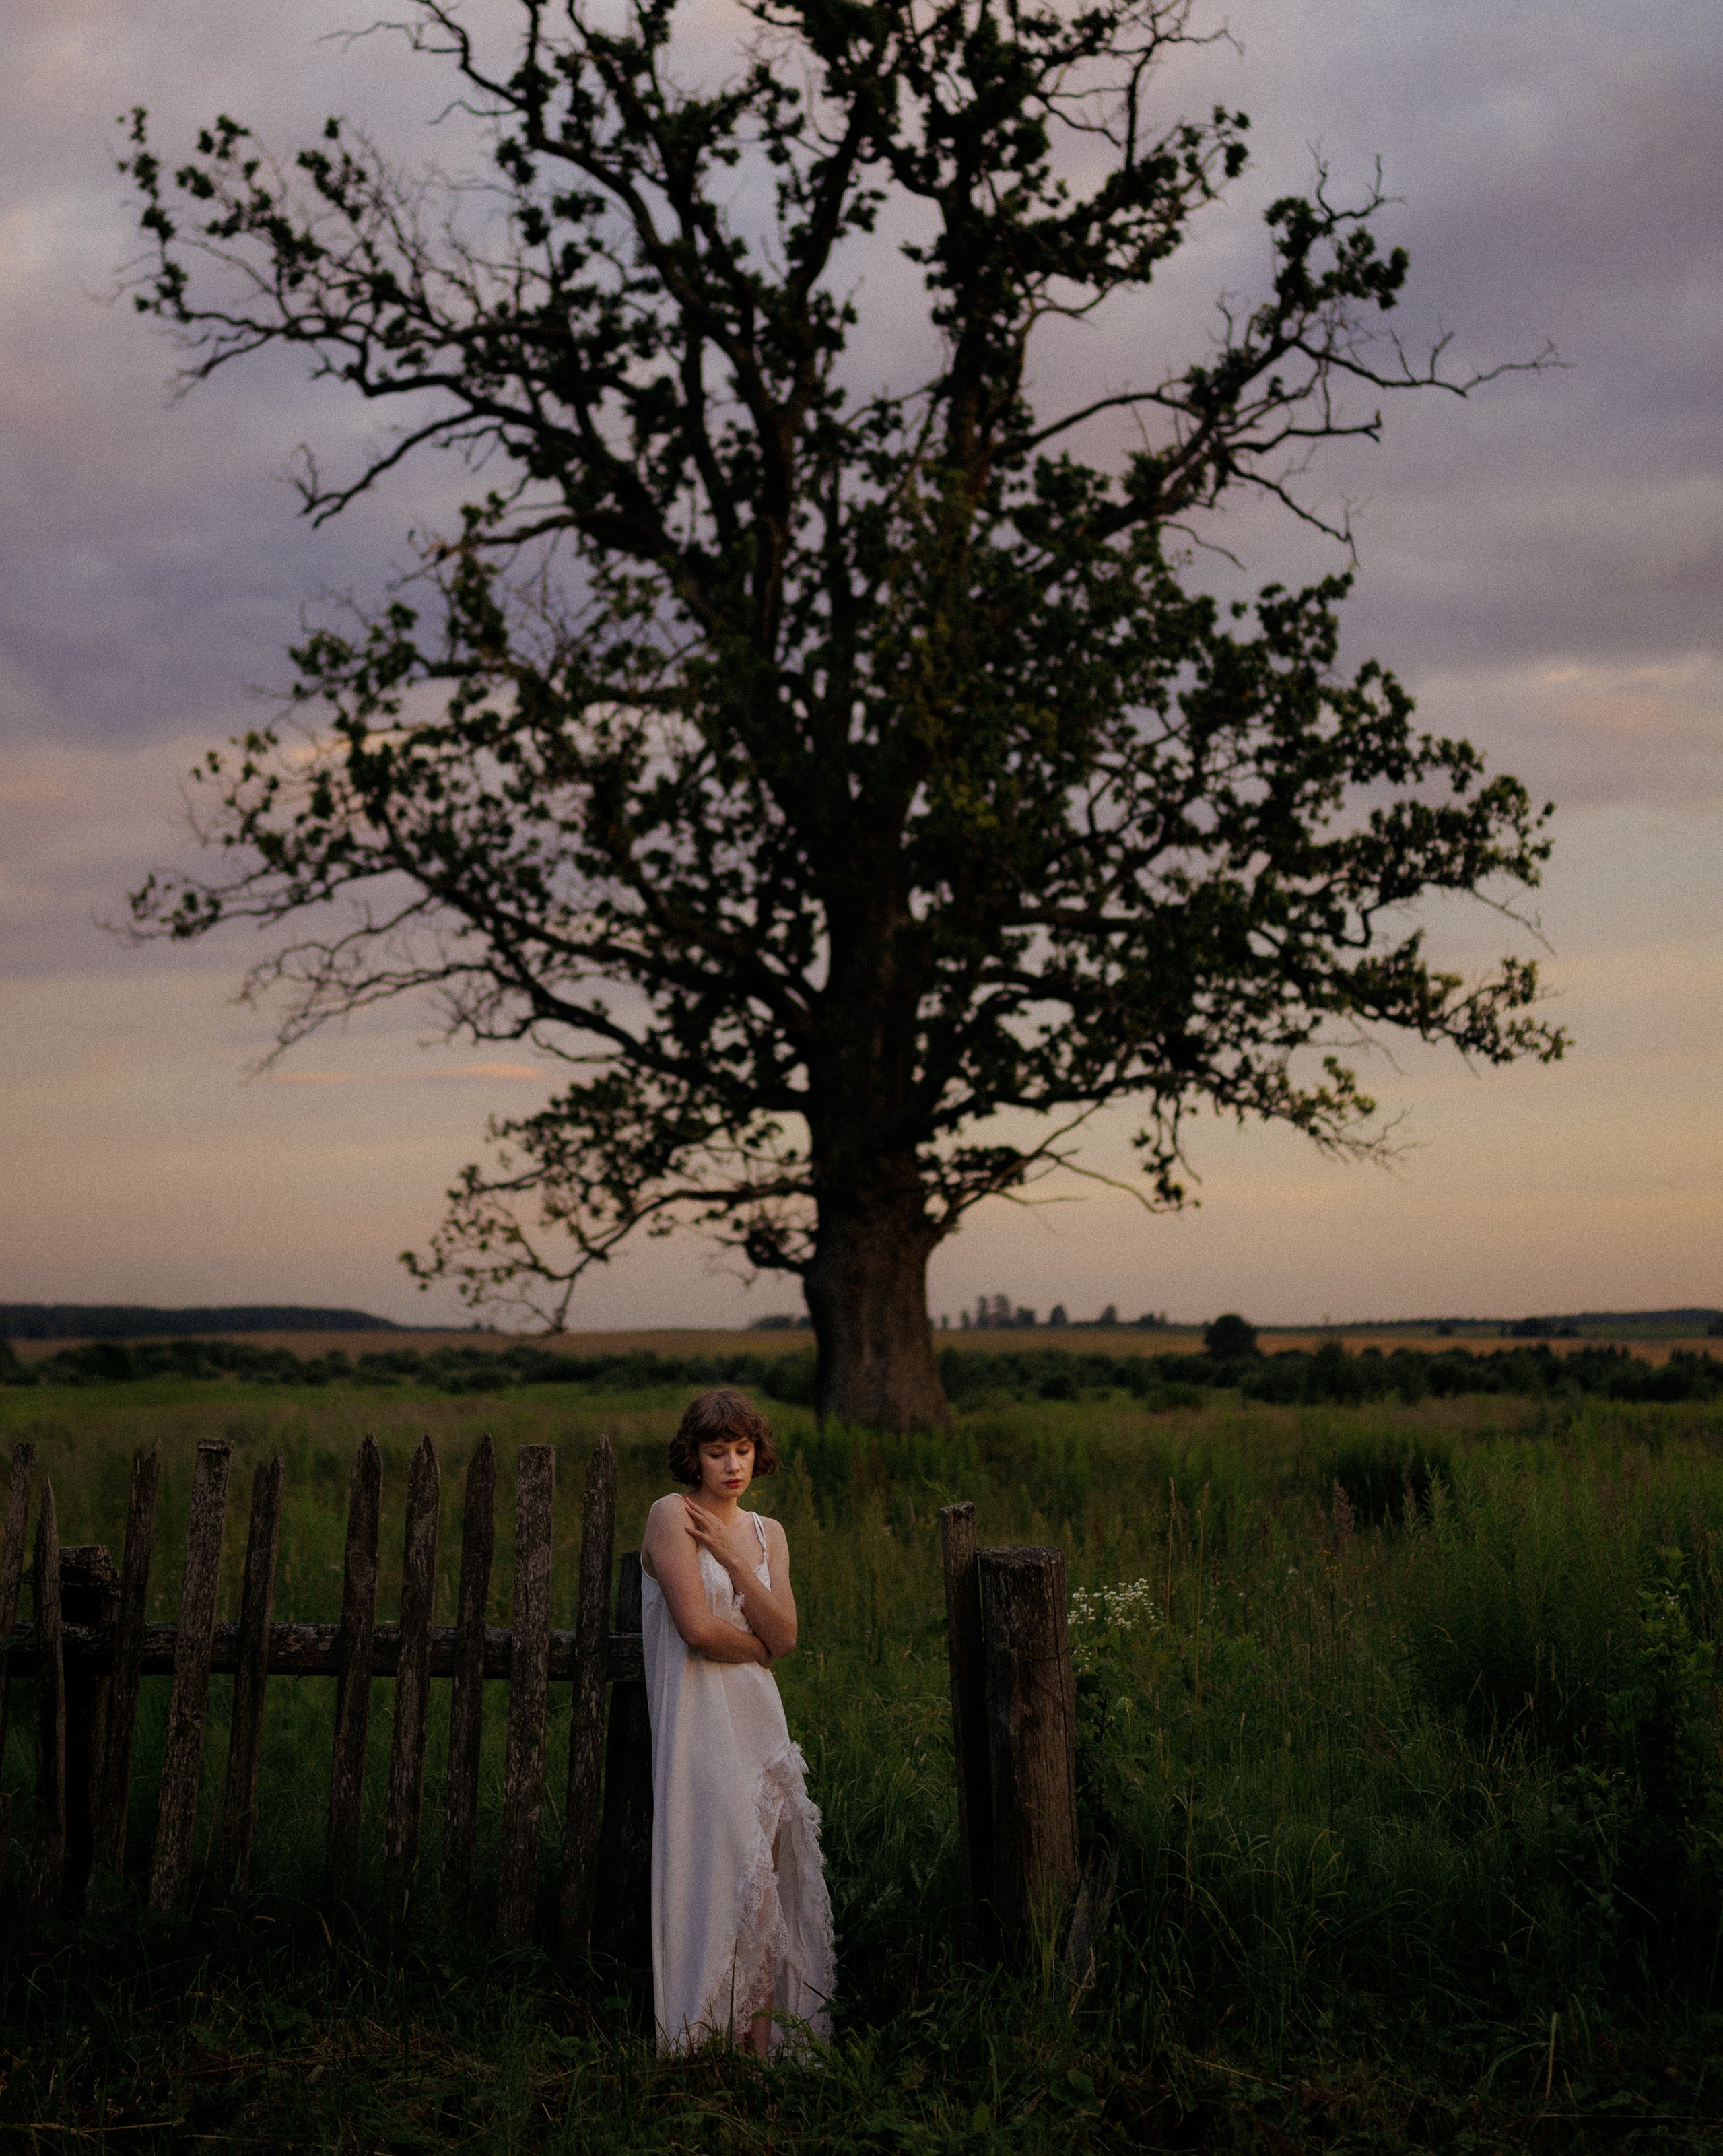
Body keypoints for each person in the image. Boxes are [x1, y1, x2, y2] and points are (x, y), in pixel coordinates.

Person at [640, 1388, 835, 2056]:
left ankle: (758, 2051)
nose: (732, 1465)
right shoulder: (670, 1515)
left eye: (743, 1450)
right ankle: (703, 2035)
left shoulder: (765, 1533)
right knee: (722, 1868)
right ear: (692, 1455)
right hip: (701, 1718)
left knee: (765, 1884)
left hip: (759, 1722)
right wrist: (759, 1648)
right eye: (717, 1451)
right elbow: (697, 1629)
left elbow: (789, 1630)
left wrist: (729, 1554)